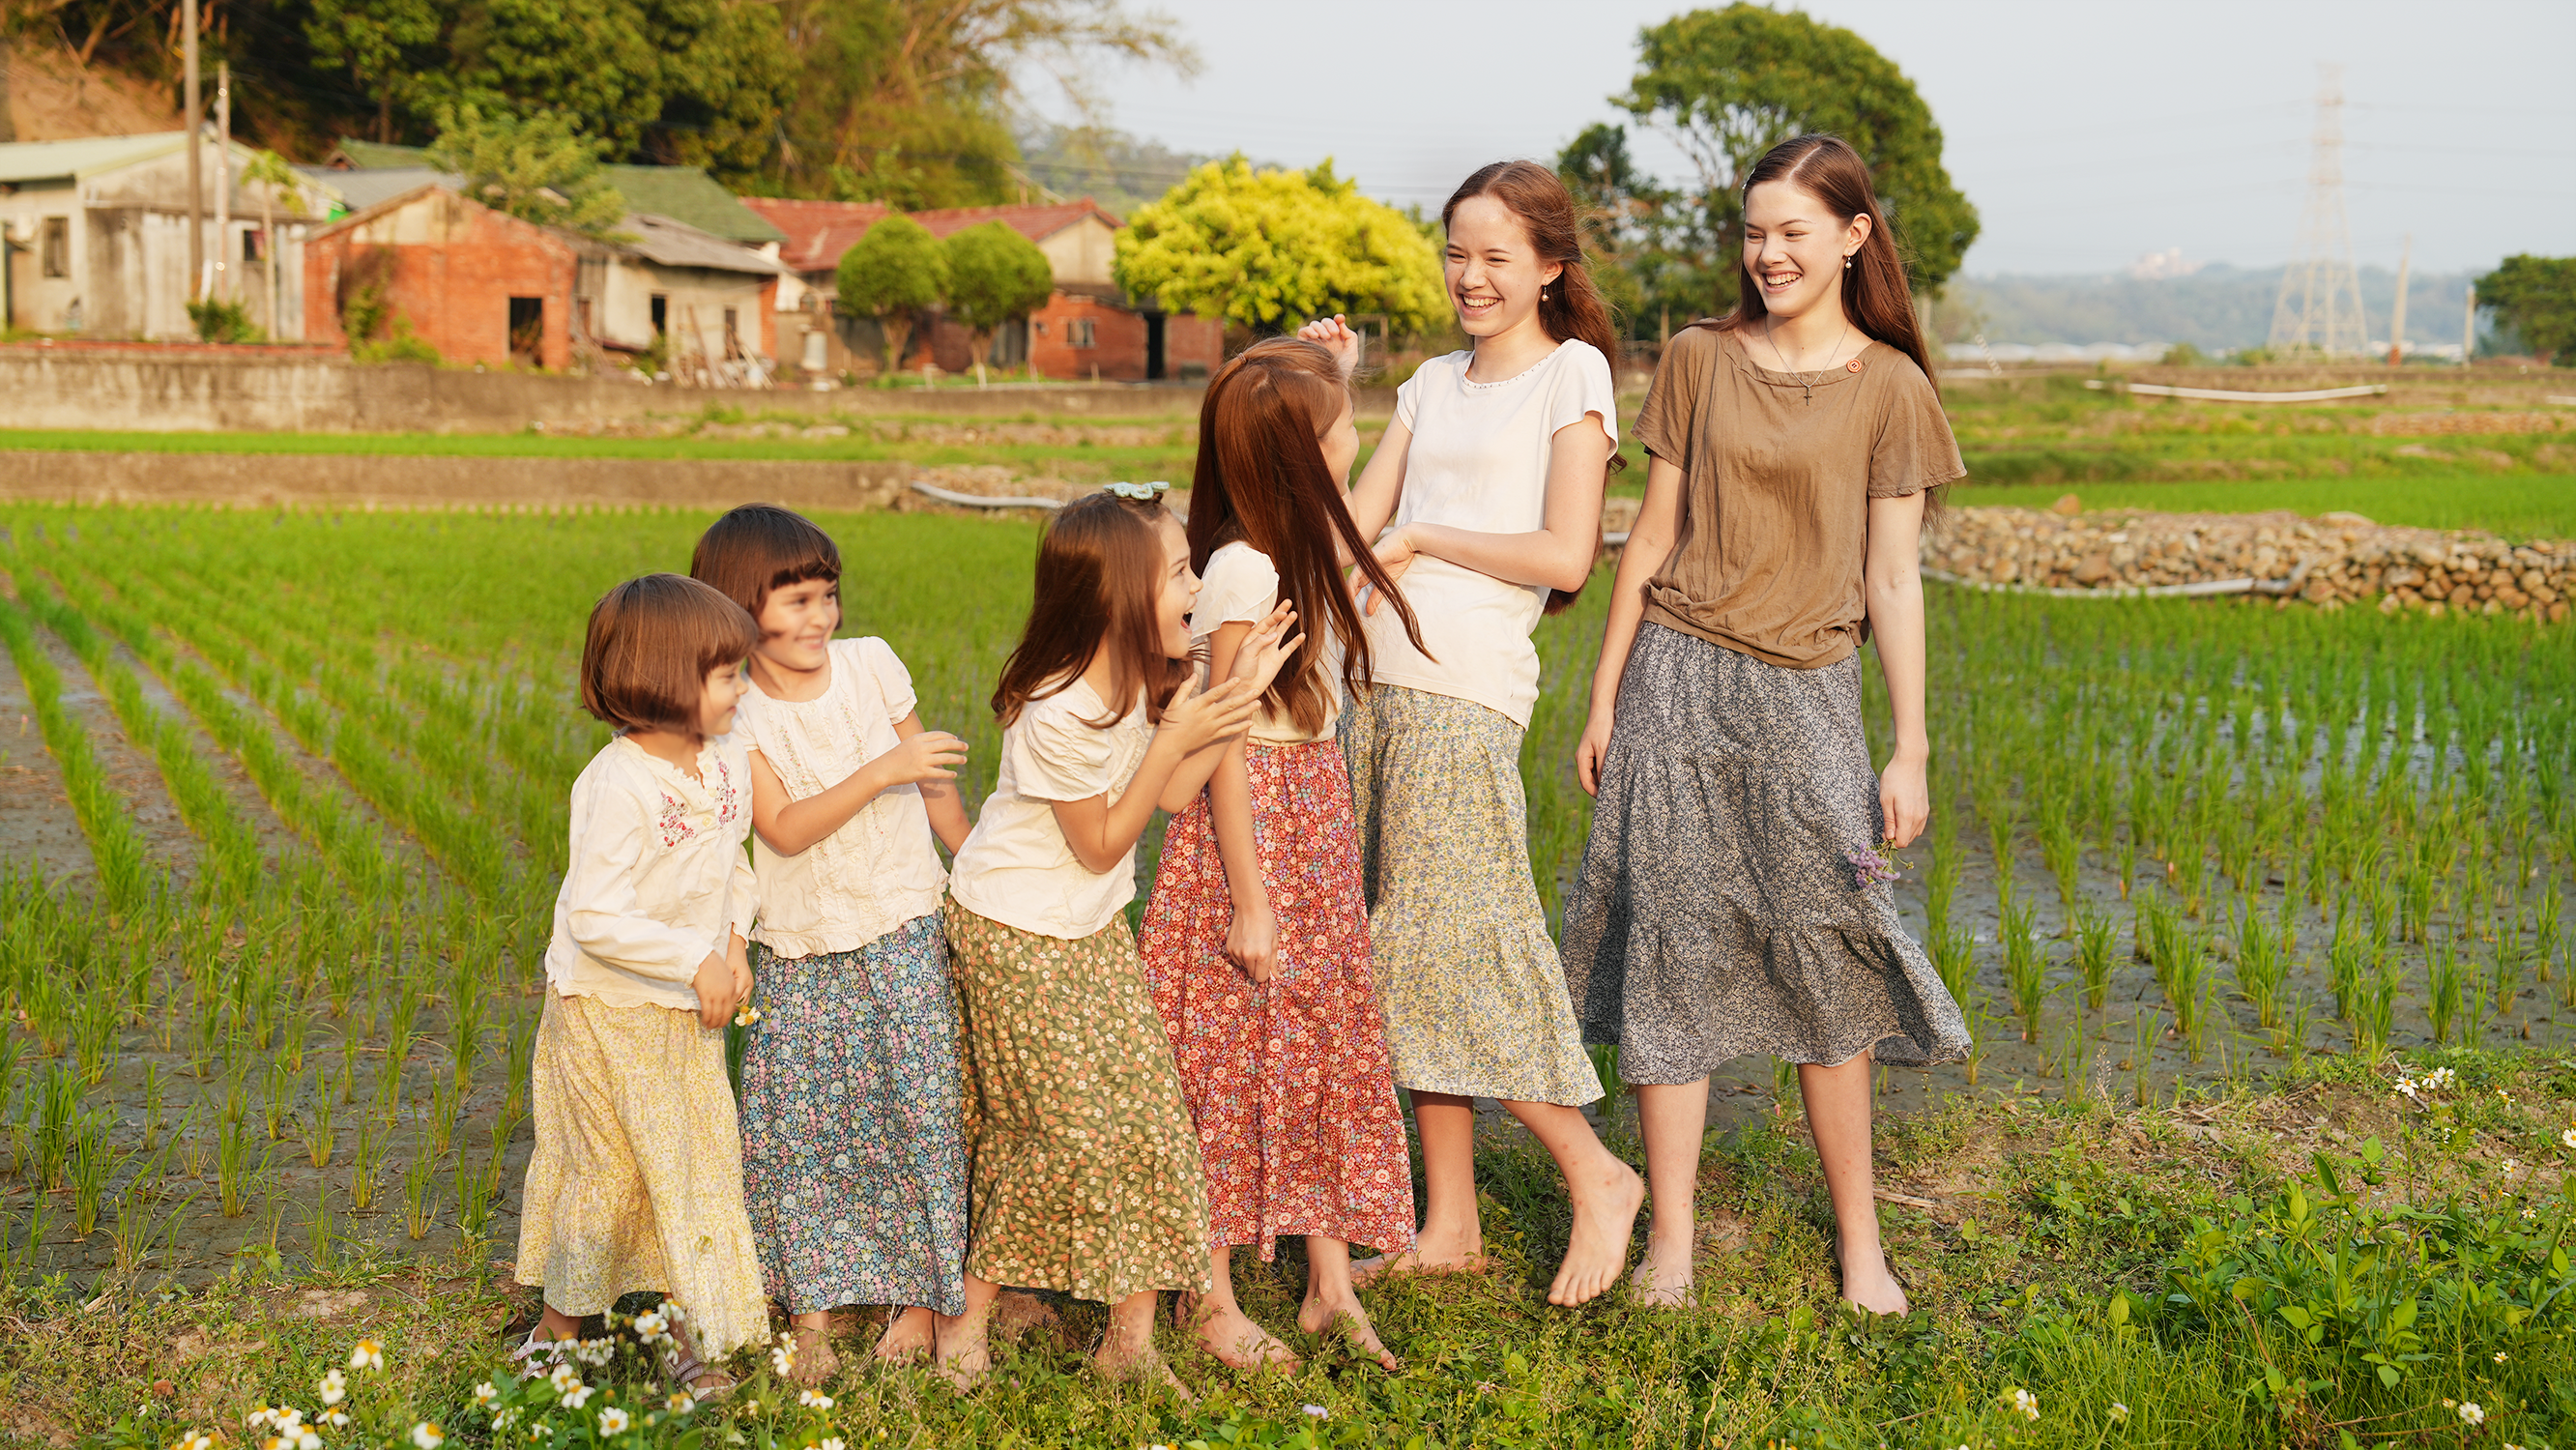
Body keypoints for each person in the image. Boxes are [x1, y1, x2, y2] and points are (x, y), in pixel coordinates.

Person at [1559, 133, 1971, 1315]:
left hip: (1807, 696)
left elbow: (1894, 581)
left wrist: (1909, 744)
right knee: (1672, 951)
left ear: (1853, 238)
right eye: (1754, 231)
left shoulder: (1892, 387)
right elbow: (1648, 539)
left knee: (1828, 951)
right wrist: (1602, 700)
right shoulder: (1696, 359)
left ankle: (1861, 1248)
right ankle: (1670, 1245)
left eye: (1794, 231)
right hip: (1674, 686)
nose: (1769, 252)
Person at [1297, 160, 1641, 1309]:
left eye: (1497, 255)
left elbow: (1565, 556)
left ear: (1550, 266)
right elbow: (1350, 527)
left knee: (1457, 941)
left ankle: (1597, 1174)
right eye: (1456, 252)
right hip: (1375, 688)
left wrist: (1431, 537)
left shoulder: (1572, 374)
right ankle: (1450, 1222)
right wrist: (1331, 393)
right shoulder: (1431, 383)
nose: (1471, 276)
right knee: (1403, 946)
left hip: (1465, 692)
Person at [934, 488, 1300, 1391]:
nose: (1197, 584)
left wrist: (1229, 704)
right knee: (1053, 1132)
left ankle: (1126, 1346)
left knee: (1150, 1125)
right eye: (1177, 571)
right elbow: (1101, 841)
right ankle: (962, 1327)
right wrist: (1178, 726)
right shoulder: (1052, 708)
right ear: (1113, 595)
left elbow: (1172, 796)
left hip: (1086, 931)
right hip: (1014, 933)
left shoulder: (1147, 681)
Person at [1138, 339, 1423, 1372]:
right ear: (1305, 452)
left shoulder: (1286, 546)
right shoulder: (1243, 569)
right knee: (1221, 1050)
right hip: (1251, 827)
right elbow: (1219, 739)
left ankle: (1327, 1280)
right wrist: (1249, 900)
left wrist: (1321, 360)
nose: (1356, 432)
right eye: (1341, 421)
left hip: (1310, 814)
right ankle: (1207, 1297)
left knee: (1316, 1035)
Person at [690, 505, 974, 1382]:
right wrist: (882, 769)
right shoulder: (737, 715)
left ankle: (924, 1297)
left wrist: (973, 873)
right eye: (797, 601)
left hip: (902, 917)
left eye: (828, 596)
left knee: (918, 1108)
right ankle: (810, 1308)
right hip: (802, 941)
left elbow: (933, 794)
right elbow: (779, 828)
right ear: (743, 609)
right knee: (801, 1126)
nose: (820, 618)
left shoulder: (872, 664)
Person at [514, 572, 767, 1396]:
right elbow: (594, 914)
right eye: (727, 673)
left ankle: (677, 1334)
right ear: (665, 678)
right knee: (611, 1176)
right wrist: (688, 958)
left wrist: (732, 945)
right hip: (604, 1011)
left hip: (683, 1014)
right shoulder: (616, 783)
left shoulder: (725, 763)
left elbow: (733, 865)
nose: (742, 687)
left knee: (688, 1170)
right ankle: (557, 1334)